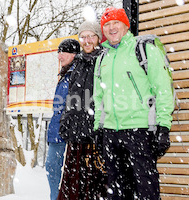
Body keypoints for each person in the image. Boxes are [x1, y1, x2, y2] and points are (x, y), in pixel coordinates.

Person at [93, 7, 174, 199]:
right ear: (103, 30)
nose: (111, 28)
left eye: (116, 23)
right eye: (107, 25)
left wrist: (163, 127)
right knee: (117, 191)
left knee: (146, 190)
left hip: (140, 132)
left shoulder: (145, 50)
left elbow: (162, 89)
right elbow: (99, 98)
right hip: (112, 133)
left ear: (125, 26)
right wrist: (98, 128)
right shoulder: (102, 58)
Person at [57, 21, 107, 199]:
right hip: (75, 133)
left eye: (91, 36)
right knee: (73, 183)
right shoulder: (76, 64)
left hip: (95, 133)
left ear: (98, 38)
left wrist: (100, 128)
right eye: (83, 37)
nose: (87, 41)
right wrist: (65, 121)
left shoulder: (104, 60)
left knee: (94, 183)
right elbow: (72, 97)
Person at [45, 38, 80, 200]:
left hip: (67, 131)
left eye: (63, 52)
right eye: (58, 52)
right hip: (57, 130)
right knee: (52, 166)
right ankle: (56, 196)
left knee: (64, 169)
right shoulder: (65, 73)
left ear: (74, 54)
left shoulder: (76, 73)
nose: (59, 55)